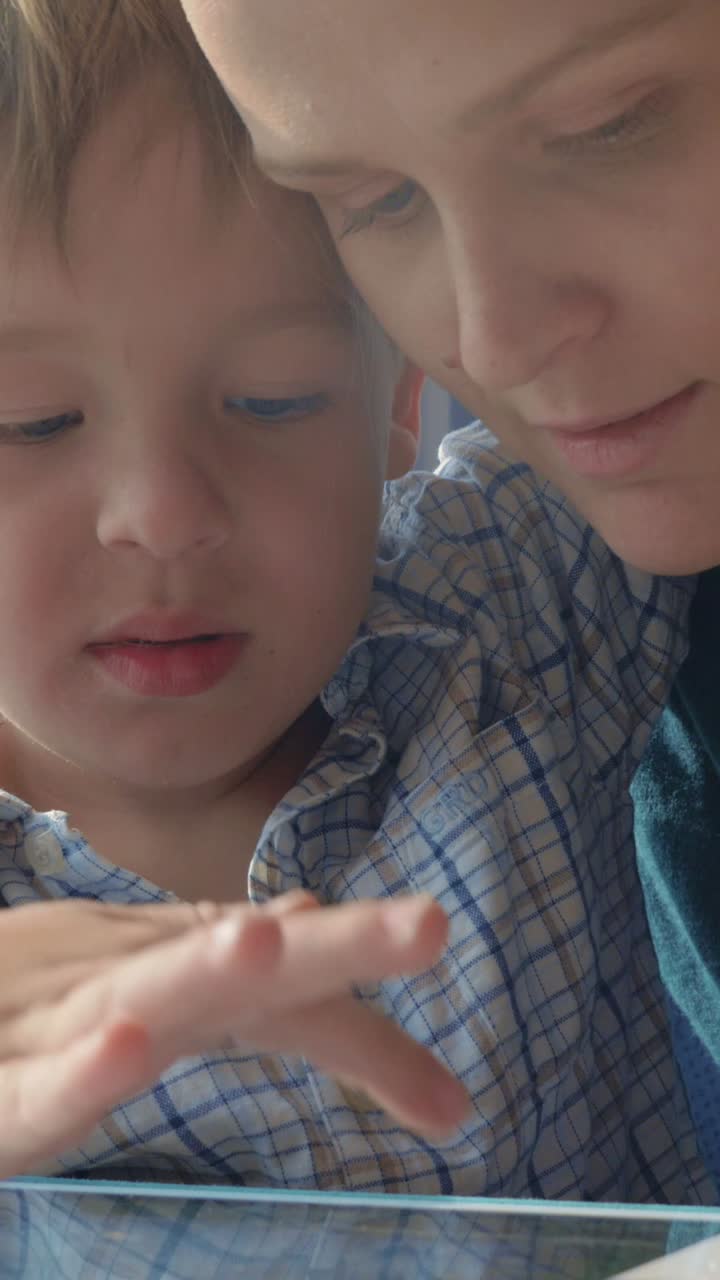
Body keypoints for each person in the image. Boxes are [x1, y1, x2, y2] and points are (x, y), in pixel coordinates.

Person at [0, 0, 708, 1202]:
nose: (163, 514)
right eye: (30, 420)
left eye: (274, 398)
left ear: (399, 401)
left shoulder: (509, 605)